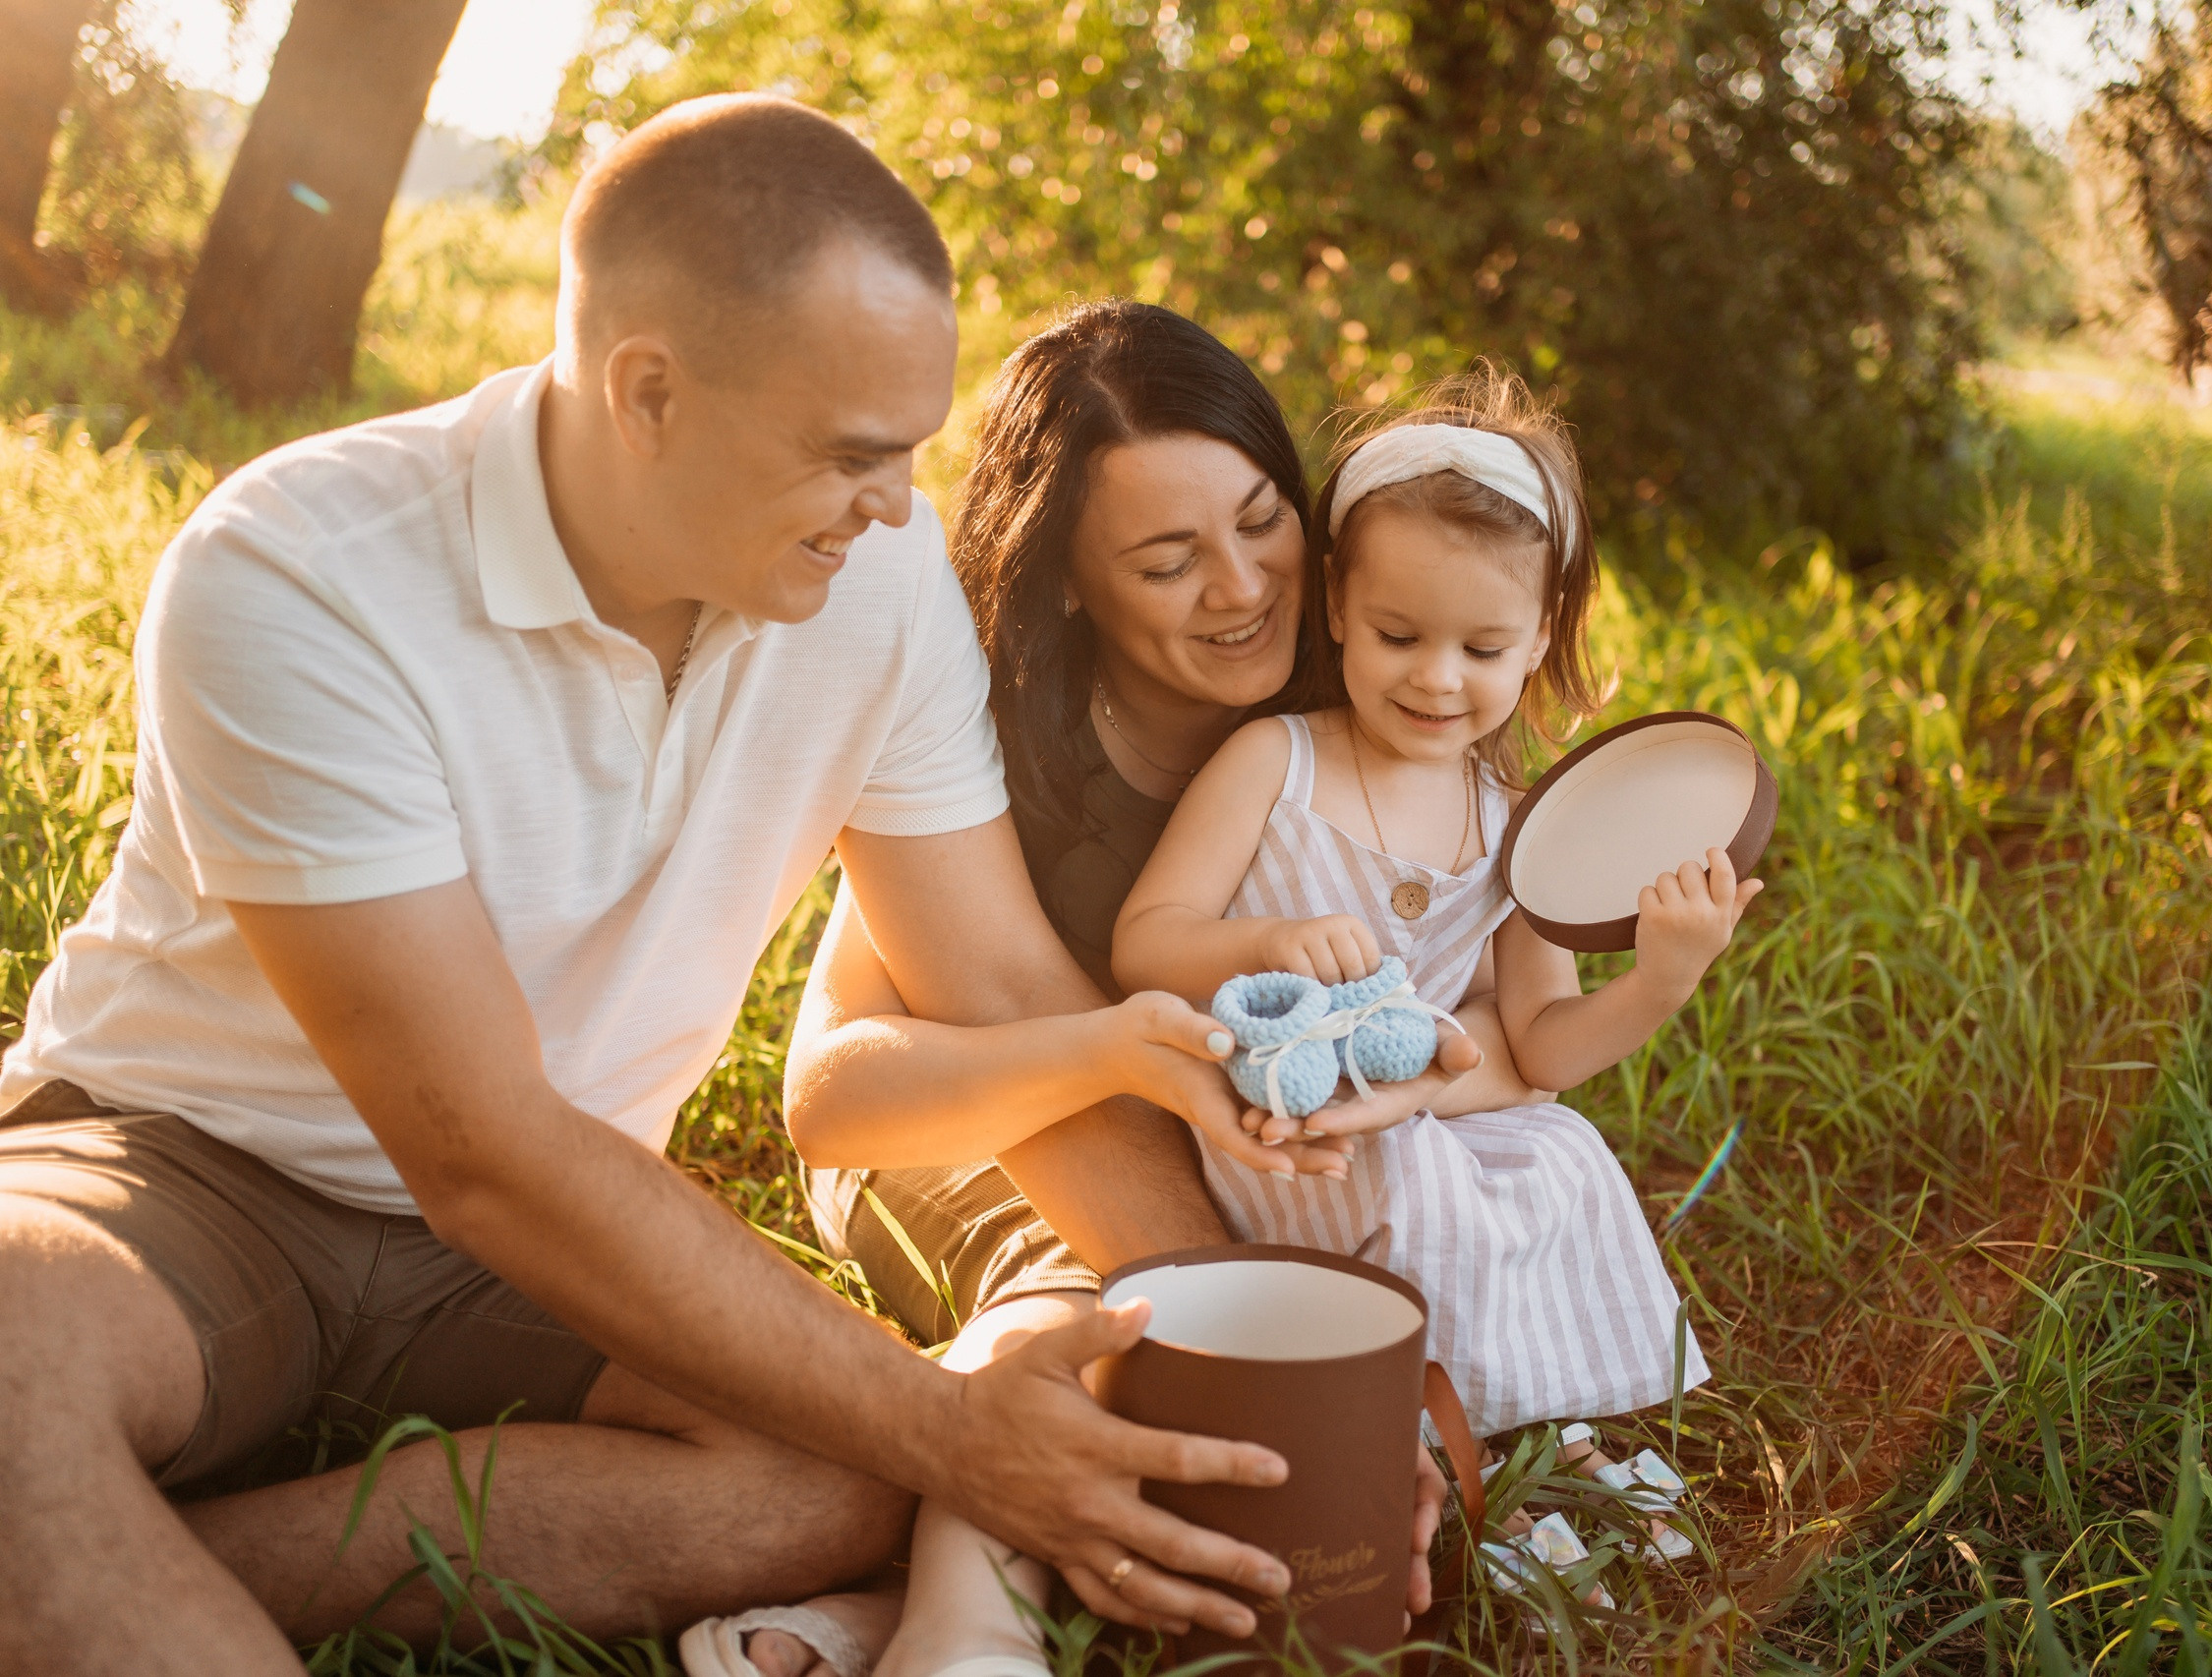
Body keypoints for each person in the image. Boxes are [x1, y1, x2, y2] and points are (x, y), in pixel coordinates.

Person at [0, 98, 1310, 1676]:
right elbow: (479, 1143)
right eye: (849, 453)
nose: (899, 507)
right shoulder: (301, 570)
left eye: (911, 449)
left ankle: (140, 1560)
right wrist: (956, 1431)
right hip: (187, 1168)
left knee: (835, 1472)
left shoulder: (874, 586)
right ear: (650, 393)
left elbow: (1010, 991)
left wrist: (1264, 1332)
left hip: (541, 1252)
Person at [708, 305, 1542, 1677]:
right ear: (1073, 585)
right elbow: (833, 1096)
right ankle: (962, 1636)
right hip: (979, 1134)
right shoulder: (985, 750)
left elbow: (1500, 1001)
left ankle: (860, 1616)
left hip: (1244, 1155)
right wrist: (1108, 1053)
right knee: (1098, 1293)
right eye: (1168, 560)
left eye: (1266, 519)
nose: (1242, 587)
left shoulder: (1376, 694)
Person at [1109, 370, 1759, 1435]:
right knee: (1419, 1187)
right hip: (1292, 1128)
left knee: (1562, 1155)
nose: (1438, 679)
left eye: (1483, 648)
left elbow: (1540, 1048)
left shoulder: (1513, 823)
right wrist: (1268, 938)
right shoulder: (1274, 762)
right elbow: (1143, 943)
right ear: (1334, 604)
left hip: (1431, 1115)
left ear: (1541, 633)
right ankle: (1407, 1425)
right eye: (1398, 635)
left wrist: (1661, 975)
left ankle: (1533, 1413)